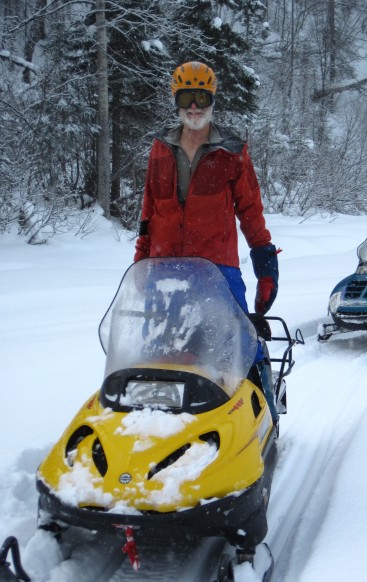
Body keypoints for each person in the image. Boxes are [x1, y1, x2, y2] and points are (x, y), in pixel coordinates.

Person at [134, 61, 280, 424]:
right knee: (156, 352)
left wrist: (265, 262)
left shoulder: (232, 149)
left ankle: (265, 419)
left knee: (239, 344)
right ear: (177, 100)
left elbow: (250, 210)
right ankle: (155, 425)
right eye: (187, 97)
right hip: (164, 268)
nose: (194, 106)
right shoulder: (160, 148)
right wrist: (140, 260)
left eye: (201, 97)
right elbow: (149, 208)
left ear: (212, 99)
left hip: (218, 268)